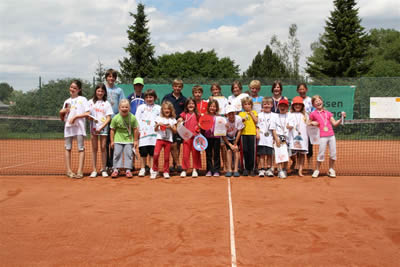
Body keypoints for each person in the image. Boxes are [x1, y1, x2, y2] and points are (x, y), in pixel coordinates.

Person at [309, 95, 346, 178]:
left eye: (319, 100)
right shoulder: (313, 114)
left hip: (331, 136)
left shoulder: (328, 113)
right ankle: (317, 170)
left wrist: (341, 118)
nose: (318, 102)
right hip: (322, 136)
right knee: (321, 153)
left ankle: (331, 170)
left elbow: (335, 123)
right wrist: (312, 123)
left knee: (333, 153)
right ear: (313, 105)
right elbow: (308, 123)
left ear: (322, 101)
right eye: (316, 101)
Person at [59, 80, 90, 179]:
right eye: (71, 87)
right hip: (68, 127)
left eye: (75, 88)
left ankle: (80, 171)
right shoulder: (67, 101)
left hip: (79, 127)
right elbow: (62, 118)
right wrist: (61, 112)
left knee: (81, 148)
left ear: (79, 90)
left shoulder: (83, 99)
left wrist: (75, 117)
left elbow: (88, 113)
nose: (72, 89)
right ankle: (68, 171)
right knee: (67, 148)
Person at [88, 83, 113, 178]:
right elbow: (87, 114)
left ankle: (103, 169)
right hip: (93, 128)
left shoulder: (107, 103)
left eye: (102, 91)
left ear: (104, 92)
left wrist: (101, 127)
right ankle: (94, 170)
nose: (100, 93)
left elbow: (108, 117)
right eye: (98, 91)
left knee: (103, 148)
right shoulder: (90, 102)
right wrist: (89, 118)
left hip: (103, 129)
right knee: (94, 149)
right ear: (95, 91)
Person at [161, 79, 186, 174]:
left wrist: (181, 118)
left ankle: (174, 164)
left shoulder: (184, 99)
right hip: (168, 124)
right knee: (171, 144)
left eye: (179, 86)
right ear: (173, 87)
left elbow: (185, 110)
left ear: (181, 87)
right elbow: (163, 109)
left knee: (178, 144)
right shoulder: (167, 97)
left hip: (179, 125)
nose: (177, 88)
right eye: (176, 86)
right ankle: (175, 164)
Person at [109, 99, 139, 178]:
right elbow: (112, 130)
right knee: (117, 154)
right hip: (118, 140)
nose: (124, 109)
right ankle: (116, 170)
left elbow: (135, 129)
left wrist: (135, 140)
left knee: (129, 155)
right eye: (122, 107)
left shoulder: (132, 117)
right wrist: (112, 141)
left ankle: (128, 170)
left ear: (129, 108)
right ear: (119, 108)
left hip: (129, 140)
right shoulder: (115, 118)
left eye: (126, 107)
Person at [135, 89, 160, 178]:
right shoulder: (140, 107)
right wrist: (138, 133)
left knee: (153, 153)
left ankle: (152, 169)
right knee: (143, 153)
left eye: (151, 97)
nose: (149, 99)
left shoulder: (158, 108)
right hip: (143, 135)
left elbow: (160, 121)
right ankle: (142, 169)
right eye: (147, 97)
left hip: (154, 135)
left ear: (154, 98)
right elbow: (136, 120)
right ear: (144, 98)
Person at [105, 69, 126, 172]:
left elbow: (123, 103)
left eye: (113, 76)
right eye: (109, 76)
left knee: (114, 143)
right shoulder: (103, 89)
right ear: (106, 78)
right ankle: (106, 165)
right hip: (104, 121)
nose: (111, 78)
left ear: (115, 78)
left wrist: (120, 118)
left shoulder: (119, 90)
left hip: (115, 120)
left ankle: (113, 165)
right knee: (105, 144)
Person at [152, 101, 177, 179]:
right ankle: (155, 170)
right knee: (156, 155)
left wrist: (170, 127)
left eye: (168, 109)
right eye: (165, 109)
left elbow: (175, 131)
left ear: (171, 110)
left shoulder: (173, 119)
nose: (167, 110)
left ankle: (166, 171)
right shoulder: (158, 118)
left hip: (168, 140)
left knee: (166, 157)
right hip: (159, 139)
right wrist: (158, 125)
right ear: (162, 110)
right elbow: (155, 130)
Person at [178, 97, 201, 178]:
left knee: (196, 154)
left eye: (192, 103)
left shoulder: (197, 114)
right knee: (185, 154)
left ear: (195, 105)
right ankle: (184, 169)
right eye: (189, 104)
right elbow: (180, 118)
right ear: (186, 105)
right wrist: (180, 120)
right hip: (186, 137)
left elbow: (201, 123)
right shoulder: (184, 114)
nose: (191, 105)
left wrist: (199, 127)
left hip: (195, 137)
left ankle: (195, 169)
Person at [209, 83, 229, 172]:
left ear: (219, 90)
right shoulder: (209, 99)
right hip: (212, 127)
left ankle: (225, 164)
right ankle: (214, 165)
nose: (215, 91)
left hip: (222, 124)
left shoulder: (224, 99)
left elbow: (227, 111)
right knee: (214, 147)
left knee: (223, 145)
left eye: (216, 89)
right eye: (213, 90)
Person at [288, 96, 309, 177]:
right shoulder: (289, 114)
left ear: (302, 106)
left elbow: (309, 124)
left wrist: (312, 123)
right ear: (293, 105)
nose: (297, 106)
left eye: (299, 104)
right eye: (296, 104)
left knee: (302, 154)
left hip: (303, 138)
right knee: (291, 154)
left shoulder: (305, 115)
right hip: (292, 137)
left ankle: (300, 170)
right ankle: (294, 161)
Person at [271, 98, 291, 179]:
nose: (283, 107)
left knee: (286, 154)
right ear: (278, 107)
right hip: (279, 137)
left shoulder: (290, 115)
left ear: (287, 107)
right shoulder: (275, 116)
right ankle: (279, 170)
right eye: (281, 106)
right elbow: (273, 129)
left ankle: (284, 169)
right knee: (279, 153)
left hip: (288, 138)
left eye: (285, 106)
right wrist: (276, 139)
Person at [296, 83, 314, 169]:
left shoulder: (310, 100)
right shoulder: (295, 100)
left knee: (309, 146)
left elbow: (314, 112)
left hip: (308, 127)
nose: (302, 91)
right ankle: (298, 166)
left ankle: (310, 166)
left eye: (303, 89)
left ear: (306, 90)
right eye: (300, 89)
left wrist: (311, 121)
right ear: (297, 91)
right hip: (298, 128)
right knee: (298, 146)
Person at [238, 97, 258, 176]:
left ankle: (252, 168)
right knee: (244, 151)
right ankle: (245, 168)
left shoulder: (254, 112)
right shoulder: (241, 114)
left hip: (252, 134)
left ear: (251, 105)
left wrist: (251, 113)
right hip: (243, 134)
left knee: (252, 152)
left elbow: (256, 121)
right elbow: (239, 123)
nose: (247, 106)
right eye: (245, 104)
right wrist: (241, 120)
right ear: (243, 106)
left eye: (249, 104)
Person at [223, 105, 244, 177]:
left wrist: (235, 143)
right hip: (227, 137)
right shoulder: (224, 121)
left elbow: (239, 131)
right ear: (227, 115)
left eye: (232, 113)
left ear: (235, 113)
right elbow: (223, 135)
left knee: (236, 150)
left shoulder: (238, 119)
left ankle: (236, 170)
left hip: (236, 137)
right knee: (228, 151)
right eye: (229, 114)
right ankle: (229, 169)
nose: (231, 115)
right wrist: (229, 144)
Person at [256, 97, 276, 177]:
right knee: (262, 154)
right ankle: (262, 169)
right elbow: (257, 126)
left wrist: (275, 138)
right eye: (264, 104)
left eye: (268, 104)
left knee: (270, 154)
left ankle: (269, 169)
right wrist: (257, 133)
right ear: (262, 105)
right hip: (261, 138)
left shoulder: (275, 115)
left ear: (271, 105)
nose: (266, 106)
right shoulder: (259, 115)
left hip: (270, 138)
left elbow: (275, 128)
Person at [204, 99, 221, 177]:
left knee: (216, 154)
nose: (212, 108)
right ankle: (209, 170)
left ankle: (217, 170)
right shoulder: (205, 116)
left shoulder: (219, 117)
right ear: (208, 107)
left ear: (216, 108)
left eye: (214, 106)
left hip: (216, 137)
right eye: (211, 106)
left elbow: (222, 126)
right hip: (207, 137)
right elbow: (202, 126)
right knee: (208, 154)